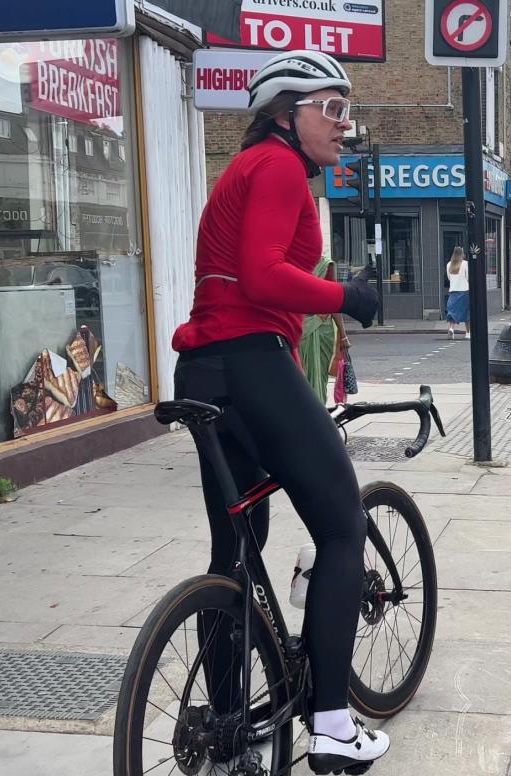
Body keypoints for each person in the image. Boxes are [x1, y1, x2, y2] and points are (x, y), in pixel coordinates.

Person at [170, 50, 389, 771]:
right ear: (285, 113)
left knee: (234, 553)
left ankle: (231, 727)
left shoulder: (247, 171)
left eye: (345, 109)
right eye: (330, 107)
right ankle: (331, 723)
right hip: (253, 363)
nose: (342, 122)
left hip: (206, 370)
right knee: (342, 524)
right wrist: (349, 296)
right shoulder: (276, 167)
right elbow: (265, 275)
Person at [299, 255, 349, 402]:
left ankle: (318, 410)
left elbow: (333, 301)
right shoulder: (287, 262)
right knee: (300, 376)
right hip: (298, 328)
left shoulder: (325, 264)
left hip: (322, 328)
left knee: (320, 377)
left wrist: (343, 335)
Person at [445, 246, 470, 339]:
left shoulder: (449, 264)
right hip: (464, 291)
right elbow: (468, 277)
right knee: (466, 313)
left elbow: (449, 277)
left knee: (452, 312)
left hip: (453, 291)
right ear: (462, 254)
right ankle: (468, 333)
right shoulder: (465, 264)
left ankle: (451, 328)